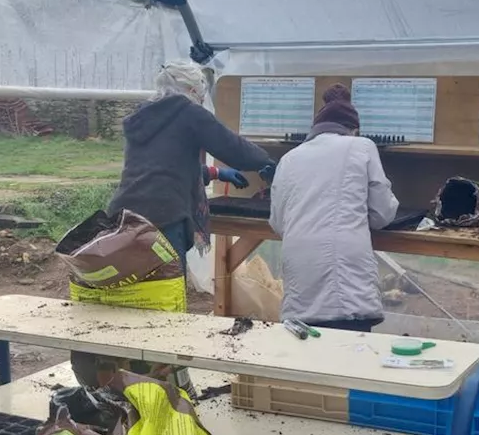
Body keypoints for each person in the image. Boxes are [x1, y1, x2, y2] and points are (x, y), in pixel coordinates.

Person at [107, 61, 274, 266]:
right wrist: (266, 161)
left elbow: (163, 166)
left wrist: (217, 173)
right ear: (194, 90)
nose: (202, 100)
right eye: (202, 95)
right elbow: (233, 148)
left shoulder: (143, 116)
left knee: (135, 285)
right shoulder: (188, 111)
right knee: (167, 287)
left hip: (124, 214)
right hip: (164, 216)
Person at [269, 84, 398, 332]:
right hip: (343, 262)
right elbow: (382, 213)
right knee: (348, 351)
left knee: (306, 347)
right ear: (353, 128)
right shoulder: (362, 146)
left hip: (298, 261)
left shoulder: (289, 158)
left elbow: (277, 222)